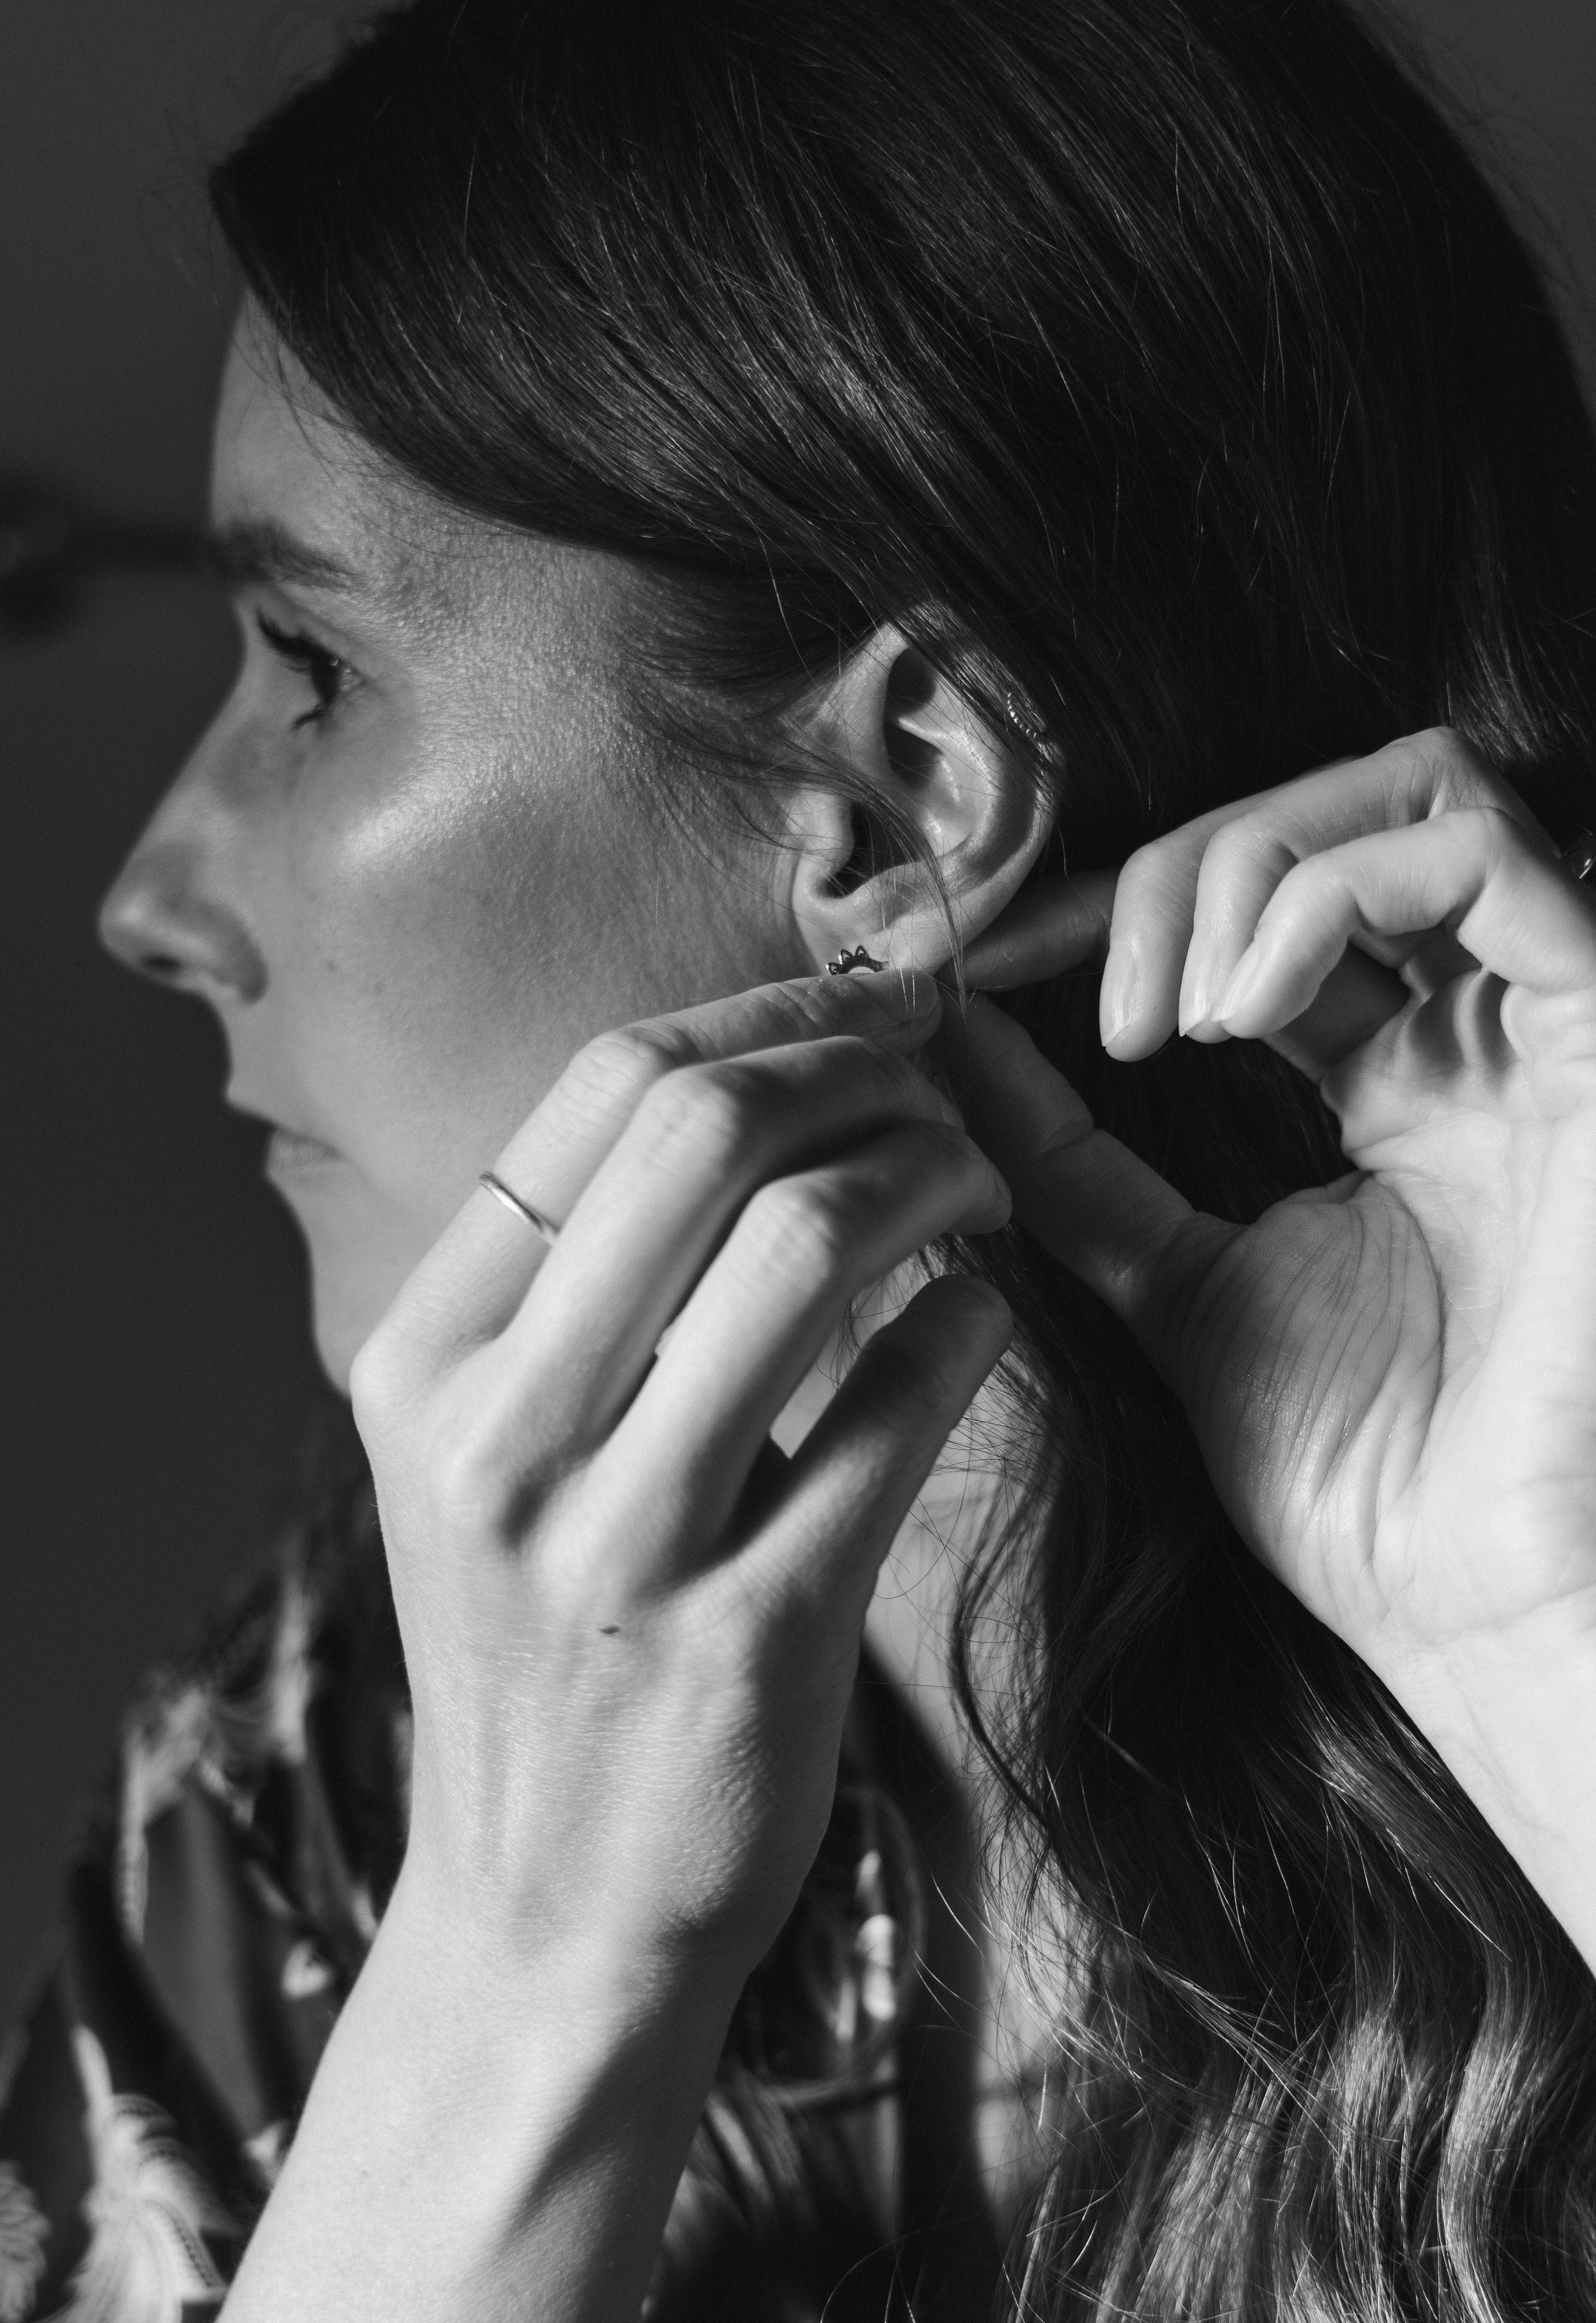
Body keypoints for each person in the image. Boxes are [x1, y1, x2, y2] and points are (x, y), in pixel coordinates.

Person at [6, 0, 1596, 2313]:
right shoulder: (331, 1758)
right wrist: (520, 1974)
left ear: (900, 804)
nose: (148, 898)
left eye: (308, 667)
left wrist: (1540, 1635)